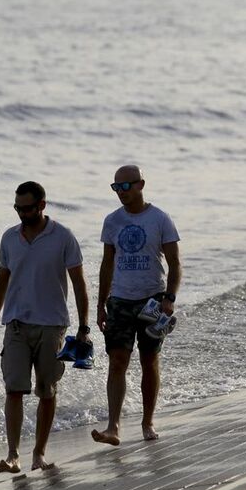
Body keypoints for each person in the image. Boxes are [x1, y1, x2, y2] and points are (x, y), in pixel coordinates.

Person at [0, 181, 90, 474]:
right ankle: (13, 455)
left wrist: (84, 327)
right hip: (15, 325)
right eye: (17, 208)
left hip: (51, 326)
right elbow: (1, 281)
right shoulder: (9, 238)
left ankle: (39, 454)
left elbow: (79, 284)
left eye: (27, 208)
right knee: (14, 389)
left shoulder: (63, 237)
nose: (21, 213)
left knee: (47, 390)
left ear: (42, 205)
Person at [91, 165, 181, 446]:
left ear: (141, 185)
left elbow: (175, 264)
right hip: (119, 300)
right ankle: (113, 426)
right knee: (117, 361)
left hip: (152, 299)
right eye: (116, 188)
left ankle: (147, 422)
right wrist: (100, 304)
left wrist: (169, 298)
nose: (121, 193)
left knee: (149, 360)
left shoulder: (159, 219)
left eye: (126, 187)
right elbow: (107, 264)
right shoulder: (112, 221)